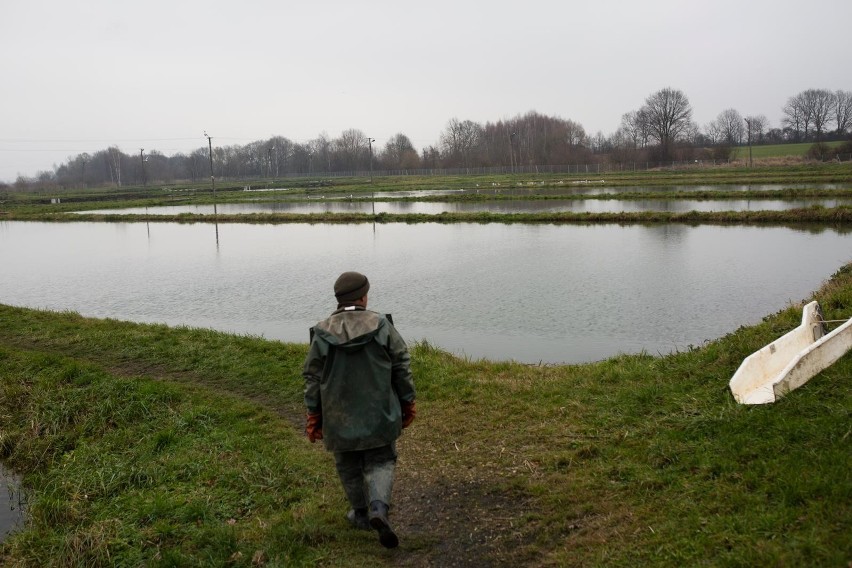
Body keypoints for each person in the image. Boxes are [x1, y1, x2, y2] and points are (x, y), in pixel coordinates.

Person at [302, 271, 417, 549]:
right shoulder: (380, 325)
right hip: (379, 412)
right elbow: (401, 363)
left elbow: (312, 377)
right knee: (381, 460)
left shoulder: (320, 332)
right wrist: (407, 400)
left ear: (339, 299)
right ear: (364, 296)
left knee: (348, 465)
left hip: (337, 416)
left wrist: (313, 413)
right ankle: (379, 508)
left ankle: (361, 514)